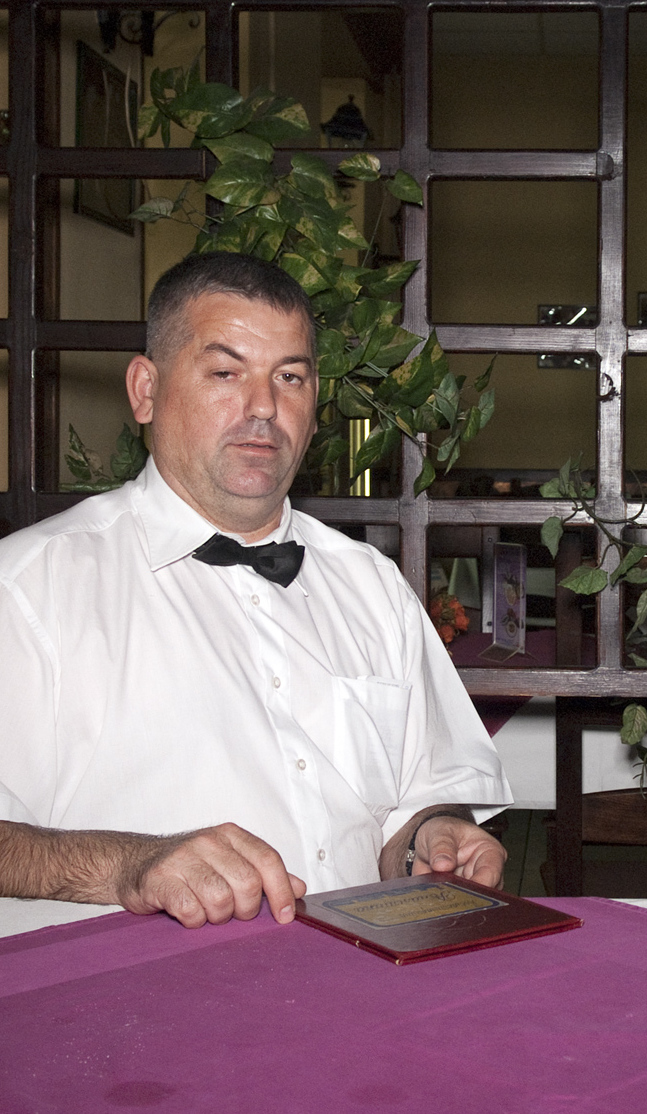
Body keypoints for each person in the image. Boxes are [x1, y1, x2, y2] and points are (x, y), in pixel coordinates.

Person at [0, 252, 512, 929]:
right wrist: (131, 864)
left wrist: (433, 835)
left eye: (290, 377)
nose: (264, 407)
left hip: (365, 996)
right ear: (145, 390)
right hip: (134, 1012)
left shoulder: (371, 585)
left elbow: (414, 800)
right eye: (225, 372)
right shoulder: (28, 589)